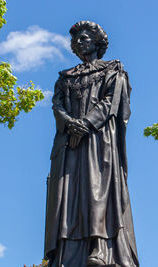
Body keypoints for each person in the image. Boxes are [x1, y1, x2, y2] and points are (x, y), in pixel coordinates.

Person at [44, 21, 139, 267]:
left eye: (84, 38)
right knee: (68, 196)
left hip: (98, 140)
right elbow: (57, 106)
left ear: (97, 43)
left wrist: (86, 124)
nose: (78, 42)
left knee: (96, 191)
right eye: (75, 40)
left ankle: (100, 248)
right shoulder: (65, 78)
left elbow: (112, 101)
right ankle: (66, 254)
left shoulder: (112, 70)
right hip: (69, 144)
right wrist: (70, 124)